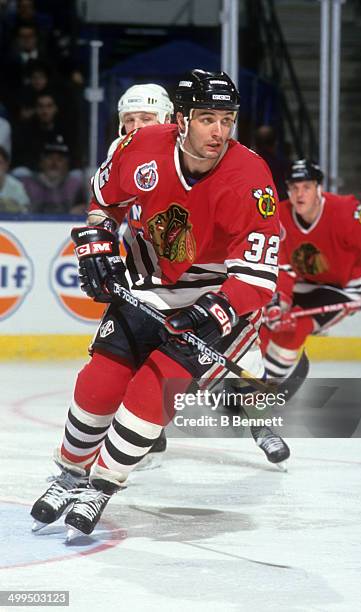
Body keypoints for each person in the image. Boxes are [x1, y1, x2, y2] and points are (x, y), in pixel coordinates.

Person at [30, 69, 285, 538]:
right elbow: (103, 202)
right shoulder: (140, 146)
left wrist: (211, 311)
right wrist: (97, 245)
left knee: (151, 394)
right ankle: (69, 474)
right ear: (183, 118)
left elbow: (257, 276)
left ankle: (102, 485)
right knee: (97, 385)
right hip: (145, 285)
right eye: (208, 119)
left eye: (227, 120)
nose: (219, 132)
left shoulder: (251, 177)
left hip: (213, 302)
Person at [261, 159, 361, 384]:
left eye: (306, 187)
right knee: (267, 321)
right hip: (304, 281)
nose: (299, 194)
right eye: (294, 188)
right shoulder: (282, 216)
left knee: (296, 327)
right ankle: (249, 380)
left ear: (319, 188)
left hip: (344, 288)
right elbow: (283, 267)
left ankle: (266, 386)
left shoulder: (347, 212)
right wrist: (279, 301)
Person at [108, 82, 174, 468]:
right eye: (128, 120)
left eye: (145, 119)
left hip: (193, 275)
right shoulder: (118, 155)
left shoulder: (186, 156)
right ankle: (149, 425)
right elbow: (107, 211)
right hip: (143, 274)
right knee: (128, 352)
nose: (135, 127)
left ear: (166, 120)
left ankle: (257, 419)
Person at [22, 141, 87, 214]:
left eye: (60, 159)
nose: (54, 163)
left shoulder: (75, 185)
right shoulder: (28, 183)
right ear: (41, 162)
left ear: (67, 164)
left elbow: (82, 208)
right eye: (49, 158)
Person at [0, 146, 30, 212]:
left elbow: (25, 211)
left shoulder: (16, 186)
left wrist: (15, 206)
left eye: (0, 163)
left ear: (6, 165)